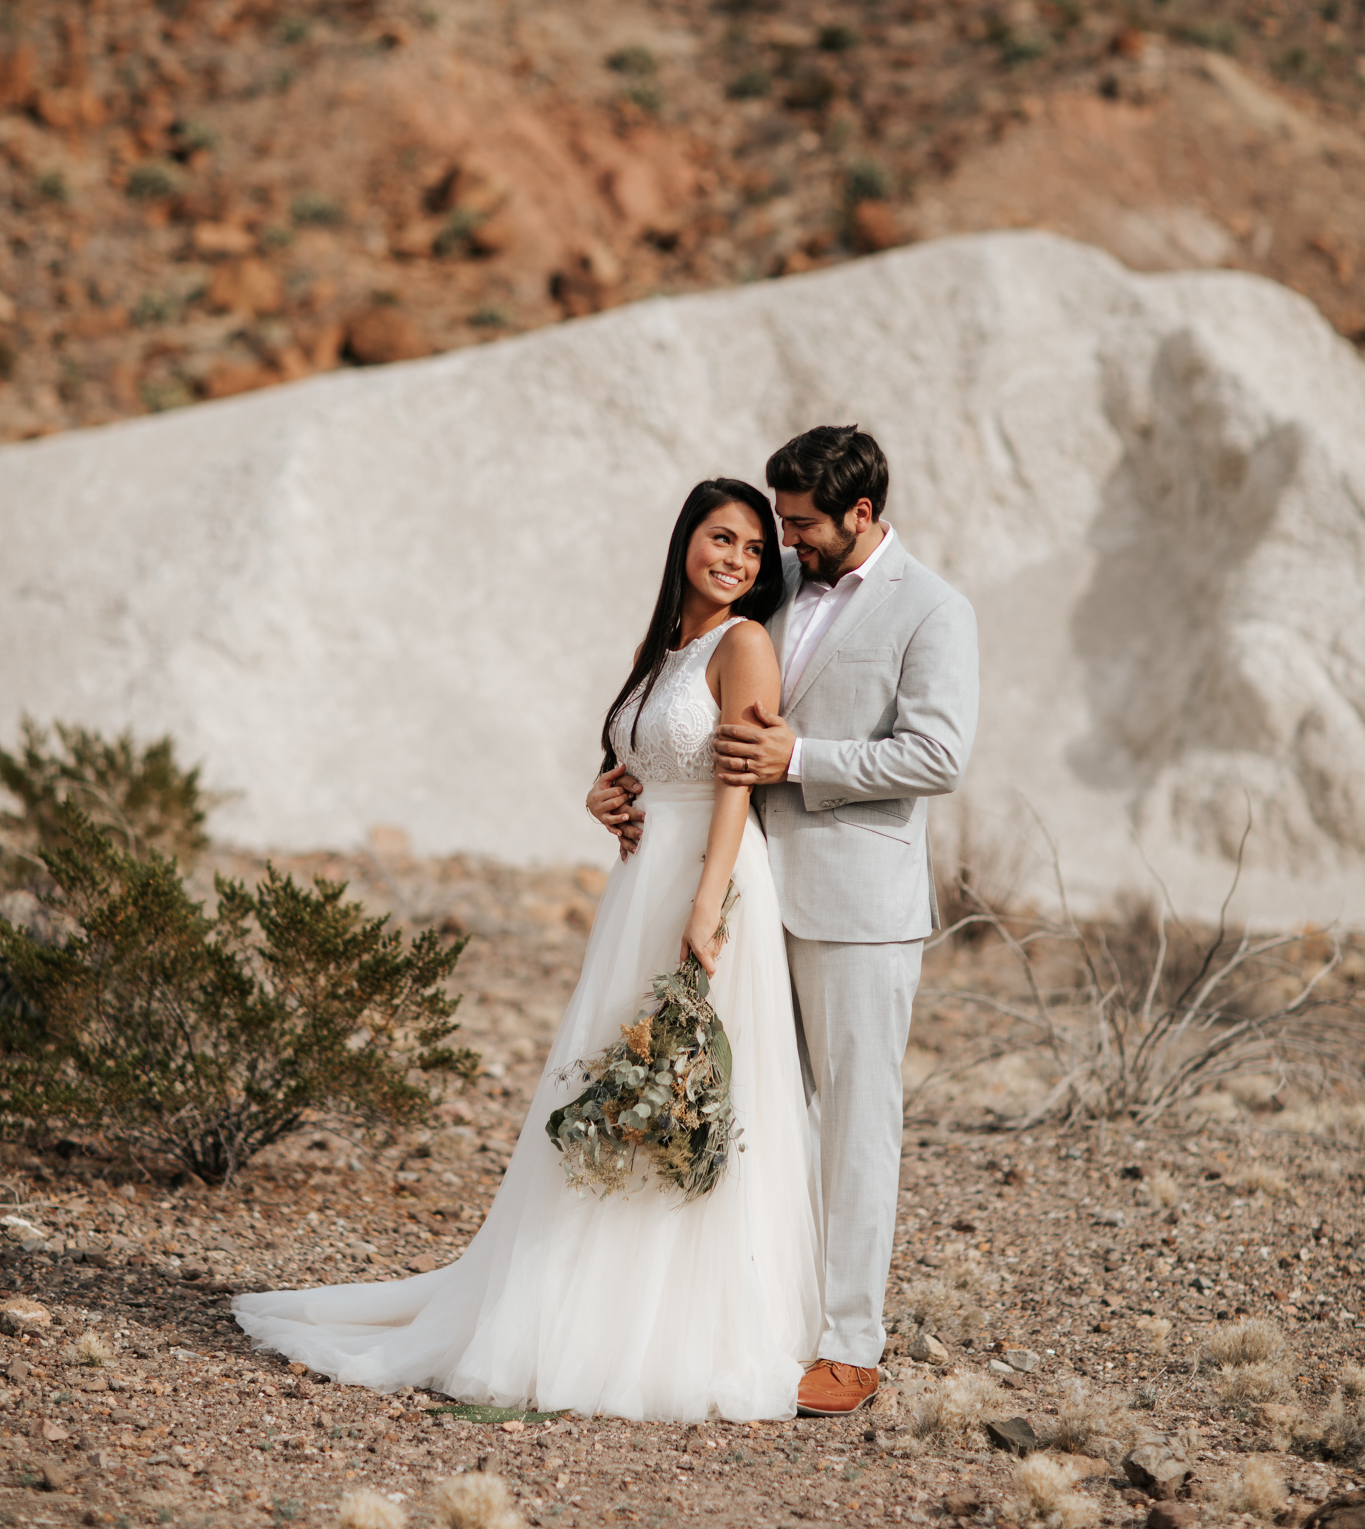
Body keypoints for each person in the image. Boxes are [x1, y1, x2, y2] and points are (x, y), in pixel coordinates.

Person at [234, 479, 822, 1423]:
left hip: (707, 879)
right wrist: (603, 796)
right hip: (643, 881)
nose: (738, 561)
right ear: (686, 539)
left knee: (687, 1088)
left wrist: (708, 904)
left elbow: (732, 786)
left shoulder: (744, 644)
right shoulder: (660, 648)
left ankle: (670, 1323)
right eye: (722, 538)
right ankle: (570, 1301)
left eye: (755, 550)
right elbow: (634, 762)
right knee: (612, 1083)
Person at [591, 426, 979, 1417]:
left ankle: (851, 1342)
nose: (786, 539)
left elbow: (936, 755)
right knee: (758, 1110)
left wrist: (801, 758)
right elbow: (698, 712)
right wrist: (624, 788)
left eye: (802, 522)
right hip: (755, 893)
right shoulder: (779, 594)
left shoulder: (932, 608)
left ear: (862, 512)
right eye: (780, 522)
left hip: (858, 907)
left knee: (856, 1124)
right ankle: (763, 1314)